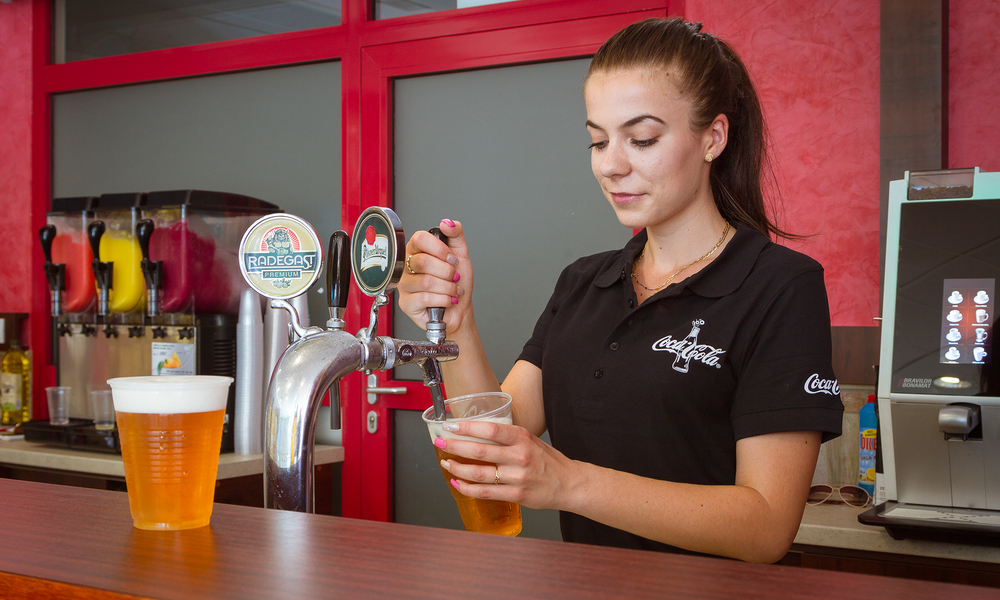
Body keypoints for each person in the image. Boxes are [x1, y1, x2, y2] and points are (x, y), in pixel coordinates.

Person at [397, 17, 843, 563]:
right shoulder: (584, 281)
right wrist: (459, 323)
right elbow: (494, 445)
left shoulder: (779, 286)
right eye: (598, 141)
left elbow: (767, 527)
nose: (610, 165)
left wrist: (568, 483)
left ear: (713, 137)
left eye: (643, 138)